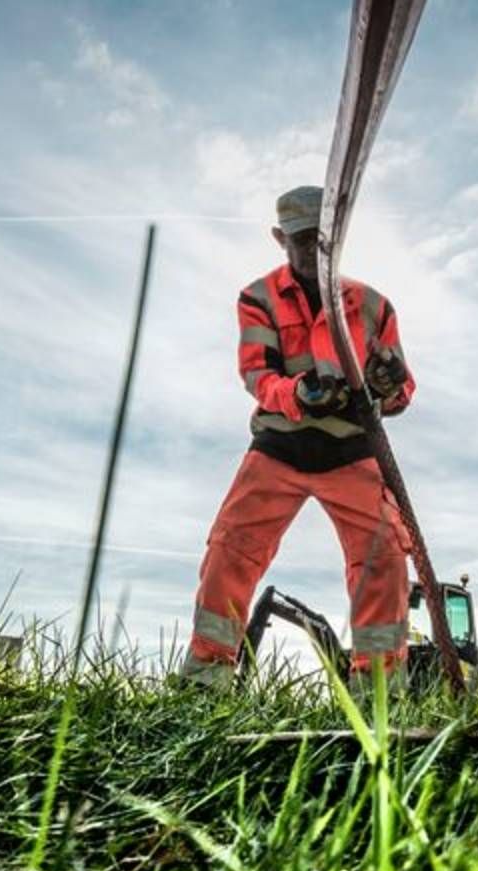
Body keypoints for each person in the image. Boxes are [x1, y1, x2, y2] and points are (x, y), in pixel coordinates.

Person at [178, 185, 417, 689]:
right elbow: (257, 377)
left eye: (321, 241)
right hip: (279, 447)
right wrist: (299, 394)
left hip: (352, 451)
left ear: (339, 238)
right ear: (279, 239)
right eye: (301, 241)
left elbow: (401, 392)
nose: (311, 252)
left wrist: (386, 384)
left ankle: (379, 692)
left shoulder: (374, 306)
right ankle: (206, 679)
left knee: (385, 560)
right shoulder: (258, 297)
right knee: (232, 549)